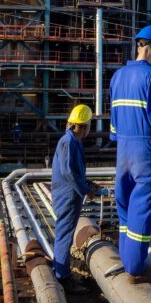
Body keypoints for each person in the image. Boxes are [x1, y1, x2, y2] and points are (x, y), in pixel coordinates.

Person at [109, 25, 151, 279]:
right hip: (146, 151)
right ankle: (135, 268)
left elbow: (113, 122)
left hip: (123, 151)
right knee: (142, 210)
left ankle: (126, 260)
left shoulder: (117, 76)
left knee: (125, 208)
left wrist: (120, 139)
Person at [51, 104, 99, 293]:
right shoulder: (68, 142)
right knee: (64, 235)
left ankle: (60, 270)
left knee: (66, 233)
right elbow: (69, 173)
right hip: (67, 196)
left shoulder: (74, 141)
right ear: (84, 126)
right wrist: (85, 190)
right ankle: (63, 277)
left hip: (70, 194)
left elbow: (75, 171)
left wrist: (89, 183)